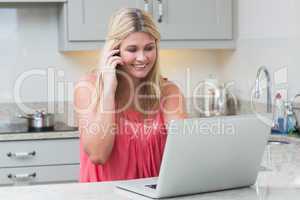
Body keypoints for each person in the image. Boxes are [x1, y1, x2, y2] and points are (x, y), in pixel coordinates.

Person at [74, 7, 187, 182]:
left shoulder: (168, 91)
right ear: (115, 50)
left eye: (149, 48)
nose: (142, 58)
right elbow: (98, 154)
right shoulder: (88, 87)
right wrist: (108, 89)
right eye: (132, 49)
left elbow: (183, 150)